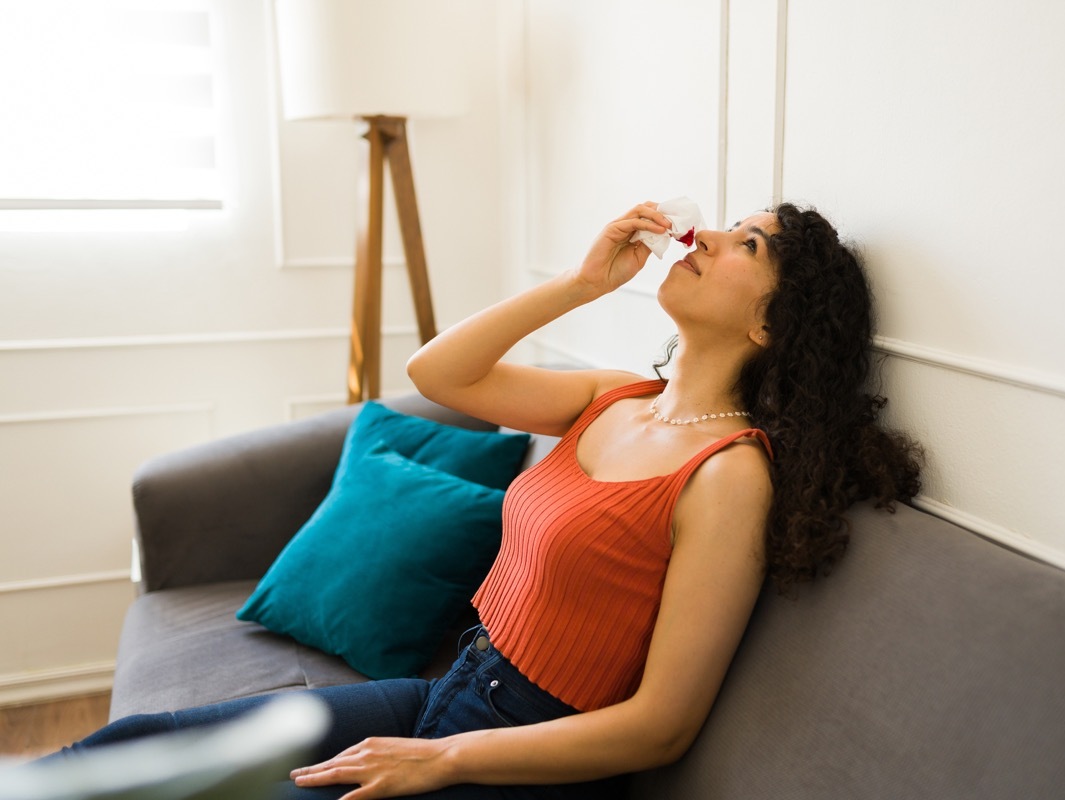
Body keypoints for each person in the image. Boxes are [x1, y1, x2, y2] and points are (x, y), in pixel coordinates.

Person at [49, 201, 921, 799]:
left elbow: (660, 727)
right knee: (140, 750)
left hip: (521, 760)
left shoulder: (730, 474)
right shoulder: (614, 399)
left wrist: (448, 759)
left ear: (770, 326)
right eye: (726, 225)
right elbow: (438, 372)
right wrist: (584, 283)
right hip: (455, 687)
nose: (708, 239)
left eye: (747, 246)